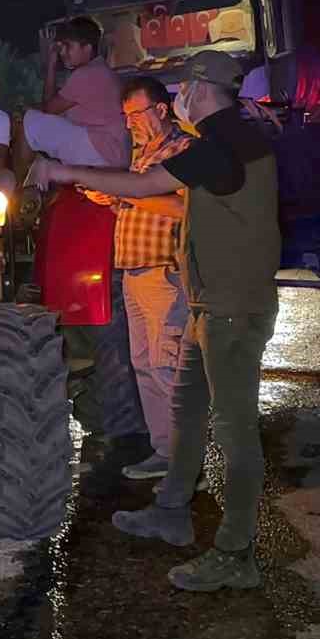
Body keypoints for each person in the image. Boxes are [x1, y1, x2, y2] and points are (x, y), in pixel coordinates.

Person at [32, 50, 279, 592]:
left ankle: (236, 552)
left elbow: (147, 189)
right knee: (188, 412)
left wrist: (60, 168)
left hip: (233, 309)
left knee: (235, 432)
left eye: (183, 89)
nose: (179, 100)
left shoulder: (223, 145)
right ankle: (172, 509)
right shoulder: (230, 139)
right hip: (207, 303)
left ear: (199, 89)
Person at [80, 76, 192, 481]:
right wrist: (112, 198)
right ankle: (165, 452)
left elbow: (185, 210)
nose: (128, 124)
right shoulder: (142, 155)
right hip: (134, 272)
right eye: (125, 117)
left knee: (168, 366)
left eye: (134, 115)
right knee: (145, 365)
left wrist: (126, 193)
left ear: (161, 110)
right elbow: (139, 207)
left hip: (164, 273)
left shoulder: (182, 148)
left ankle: (185, 460)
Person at [10, 16, 129, 182]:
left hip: (104, 150)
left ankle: (19, 190)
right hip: (111, 150)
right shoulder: (98, 70)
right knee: (33, 118)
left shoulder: (87, 74)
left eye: (68, 46)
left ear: (87, 48)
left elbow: (49, 108)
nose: (63, 53)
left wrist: (51, 63)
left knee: (27, 123)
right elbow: (56, 106)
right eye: (61, 48)